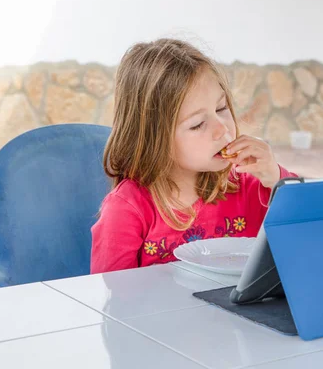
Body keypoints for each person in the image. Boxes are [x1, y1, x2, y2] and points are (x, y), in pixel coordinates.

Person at [90, 38, 297, 274]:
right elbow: (113, 296)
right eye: (198, 124)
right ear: (153, 139)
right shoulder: (128, 210)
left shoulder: (251, 186)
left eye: (221, 108)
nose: (223, 129)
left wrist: (276, 180)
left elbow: (308, 236)